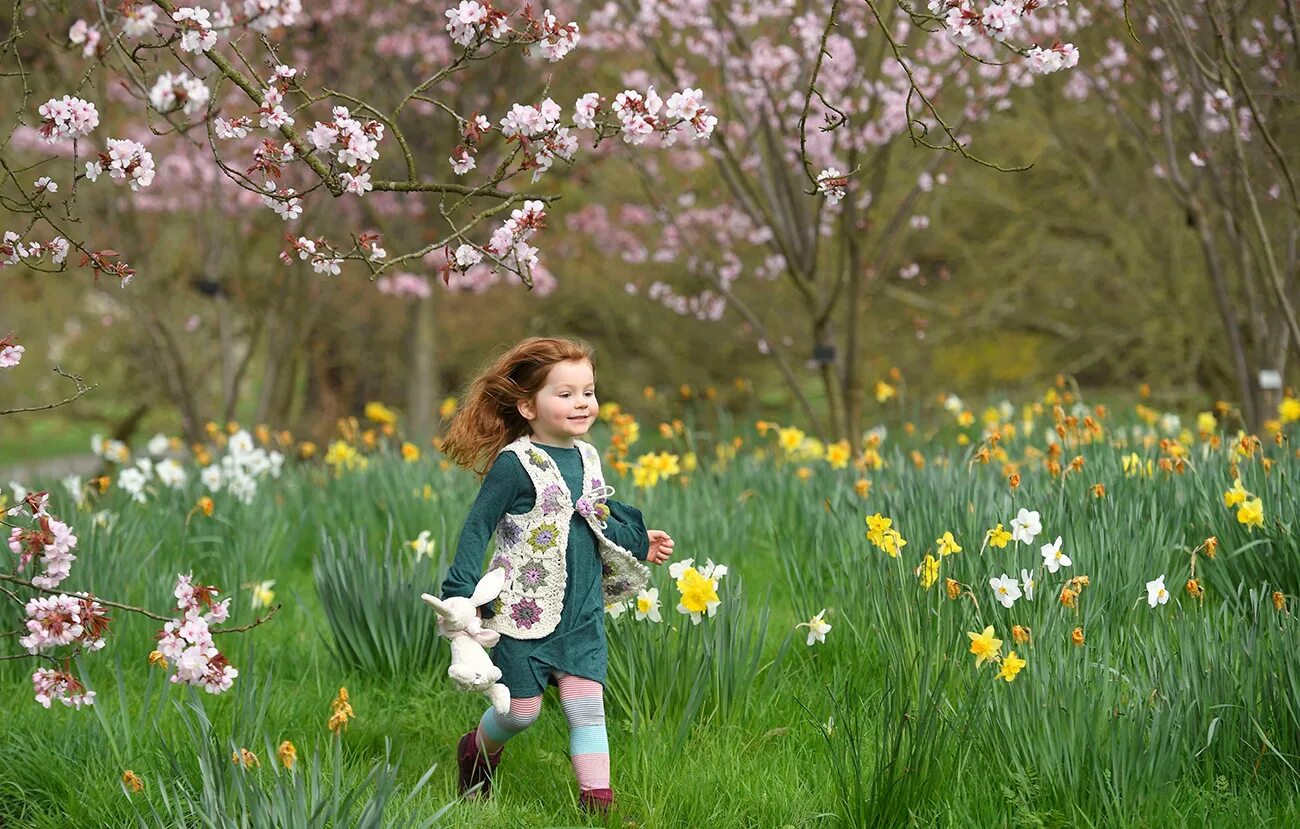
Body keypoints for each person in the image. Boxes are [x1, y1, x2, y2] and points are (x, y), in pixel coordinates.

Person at [437, 336, 674, 816]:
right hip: (523, 611)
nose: (581, 402)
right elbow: (476, 527)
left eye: (587, 391)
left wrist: (638, 541)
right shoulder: (514, 465)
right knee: (520, 712)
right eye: (564, 394)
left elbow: (597, 516)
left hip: (581, 611)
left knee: (587, 706)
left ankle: (597, 806)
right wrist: (460, 595)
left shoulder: (588, 456)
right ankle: (476, 751)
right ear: (527, 405)